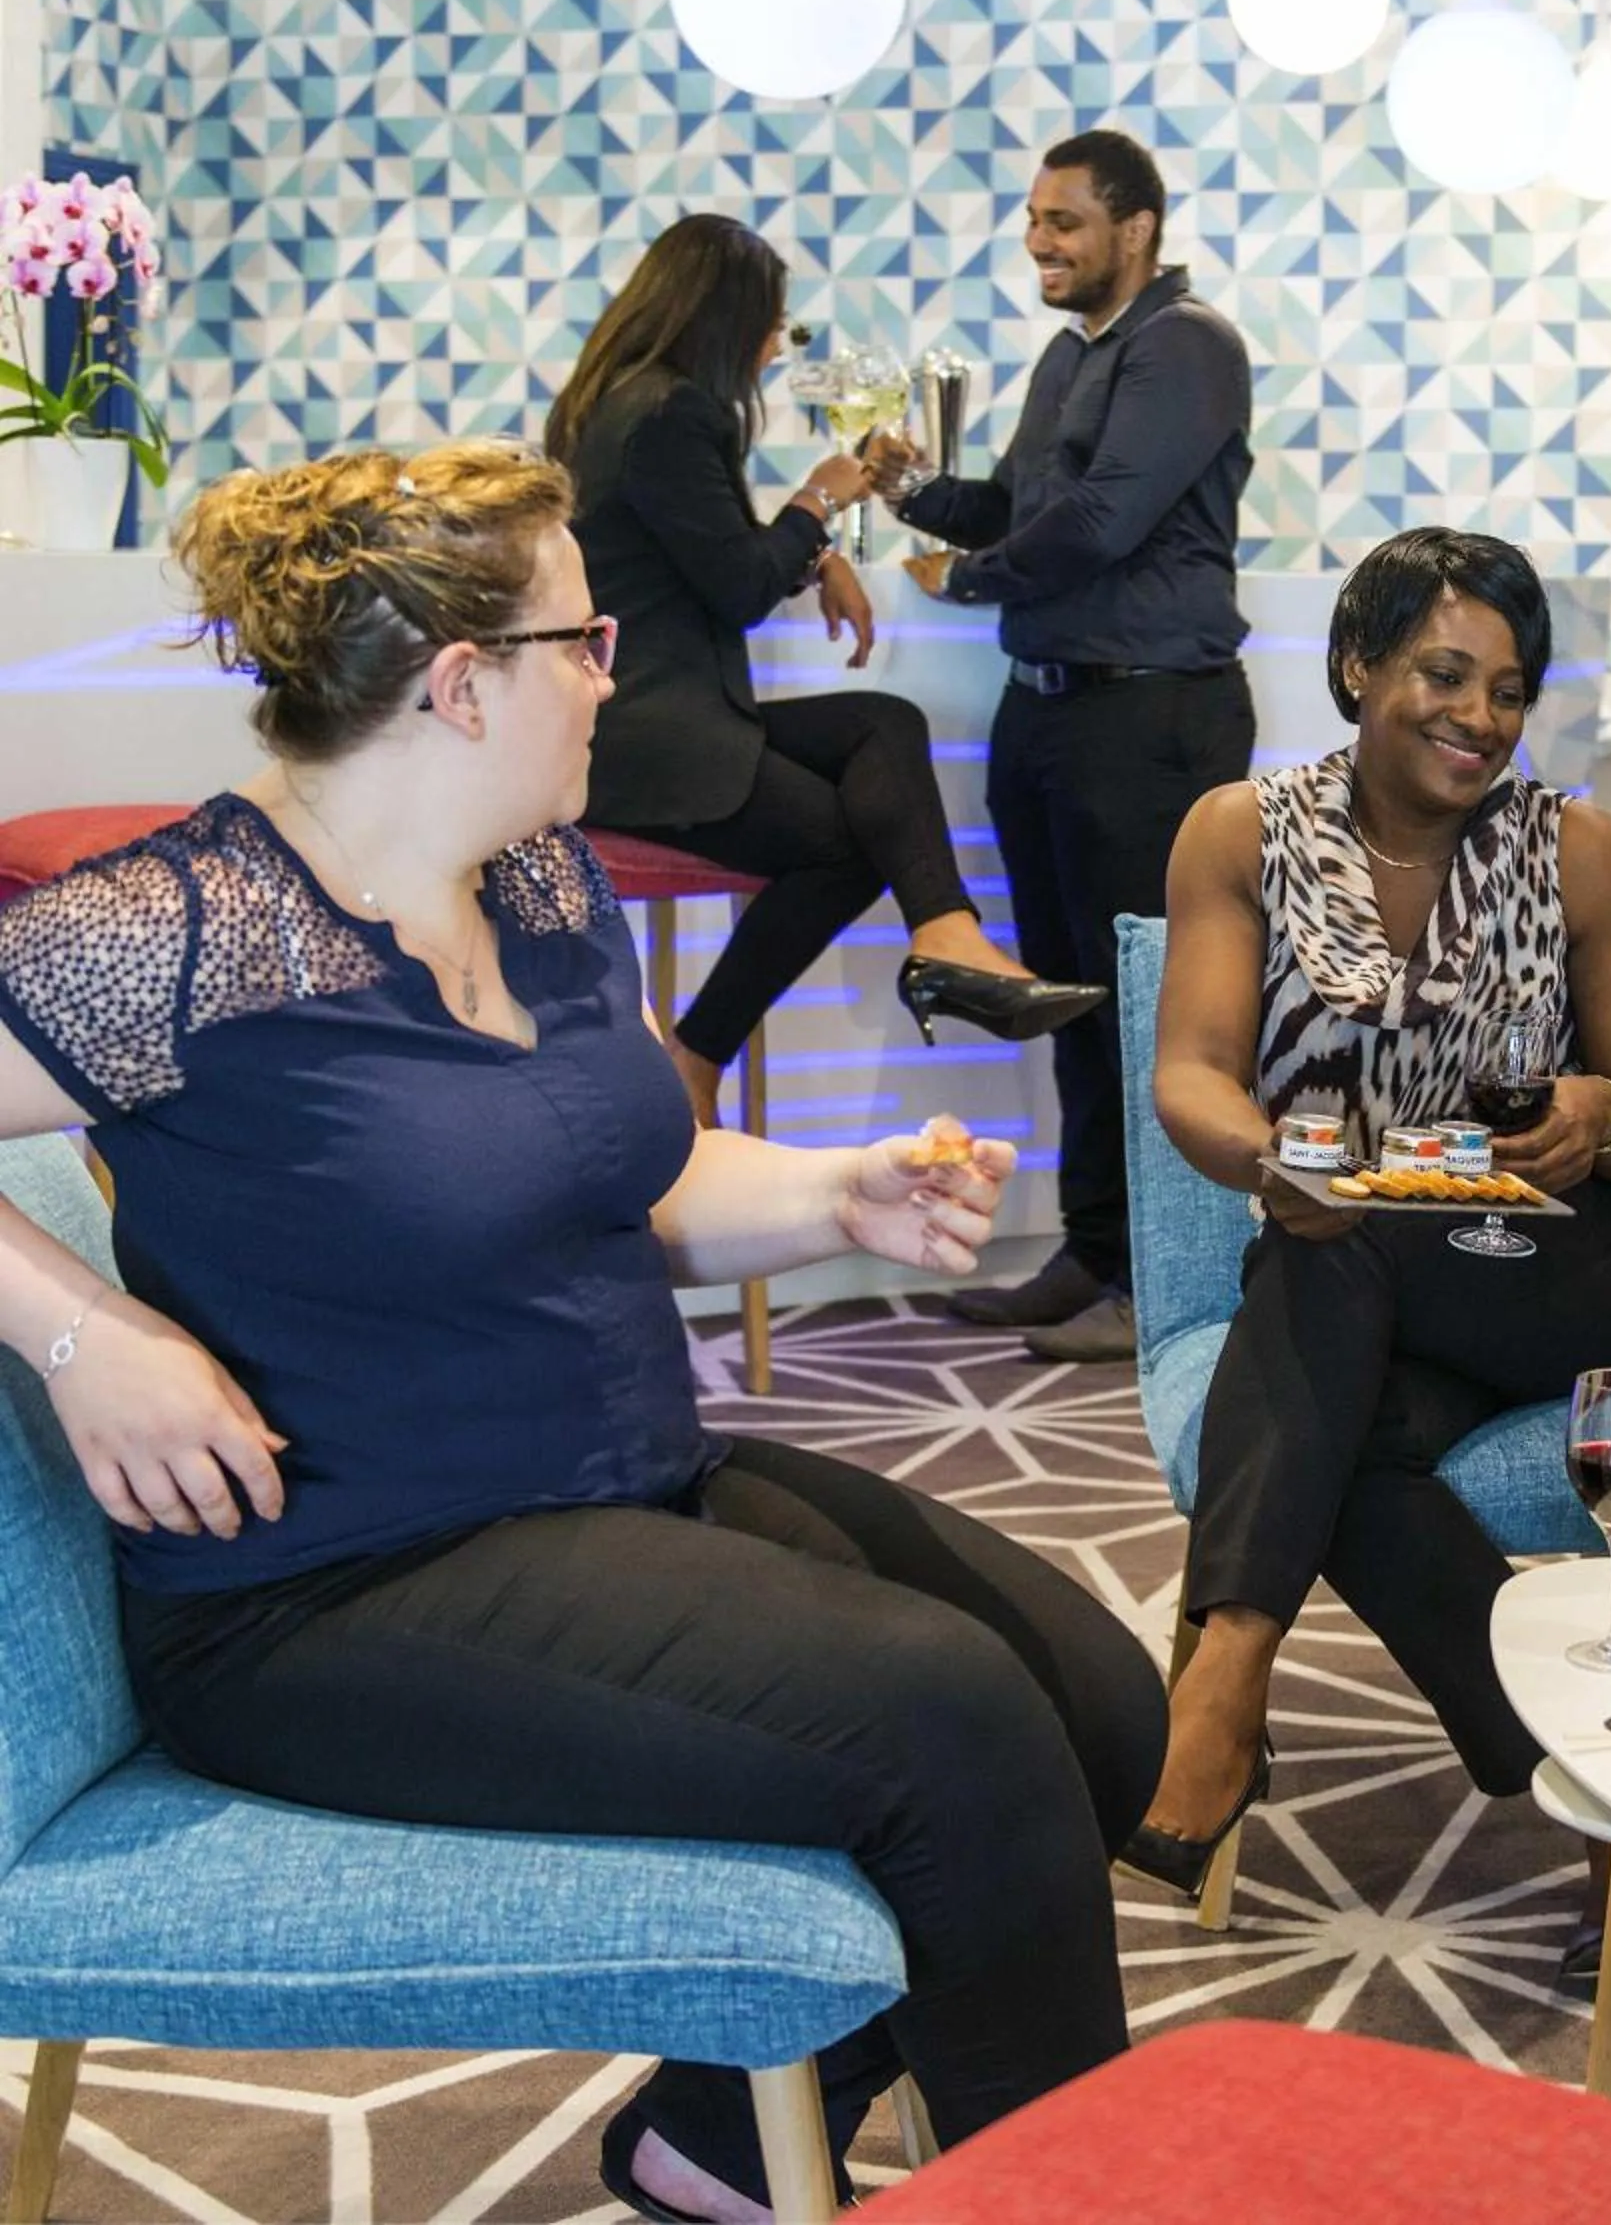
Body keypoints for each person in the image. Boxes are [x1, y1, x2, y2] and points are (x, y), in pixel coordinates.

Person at [0, 445, 1165, 2225]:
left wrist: (835, 1195)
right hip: (333, 1589)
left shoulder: (537, 883)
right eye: (589, 640)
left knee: (1097, 1702)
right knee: (958, 1726)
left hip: (613, 1488)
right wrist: (82, 1331)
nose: (618, 678)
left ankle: (715, 2145)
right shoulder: (177, 931)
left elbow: (630, 1176)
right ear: (462, 684)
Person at [1127, 528, 1611, 1971]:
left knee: (1323, 1266)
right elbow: (1191, 1072)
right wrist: (1269, 1159)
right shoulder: (1240, 833)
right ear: (1357, 666)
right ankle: (1598, 1792)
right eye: (1444, 674)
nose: (1479, 717)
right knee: (1349, 1425)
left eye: (1508, 691)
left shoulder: (1582, 852)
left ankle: (1221, 1680)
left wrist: (1602, 1110)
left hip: (1547, 1264)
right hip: (1350, 1264)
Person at [546, 213, 1100, 1129]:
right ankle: (699, 1052)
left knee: (884, 723)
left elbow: (705, 555)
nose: (776, 344)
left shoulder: (618, 403)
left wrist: (815, 554)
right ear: (723, 317)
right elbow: (737, 587)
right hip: (652, 744)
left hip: (652, 721)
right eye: (772, 322)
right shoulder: (673, 413)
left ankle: (946, 935)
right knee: (845, 841)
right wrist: (818, 500)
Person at [865, 128, 1257, 1363]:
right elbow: (1020, 505)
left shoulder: (1186, 345)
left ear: (1135, 228)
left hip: (1148, 714)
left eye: (1064, 221)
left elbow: (1100, 520)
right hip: (1045, 712)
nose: (1039, 240)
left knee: (1151, 1011)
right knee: (1074, 1000)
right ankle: (1096, 1250)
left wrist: (969, 576)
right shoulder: (1072, 351)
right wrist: (915, 495)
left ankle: (1165, 1285)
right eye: (1033, 220)